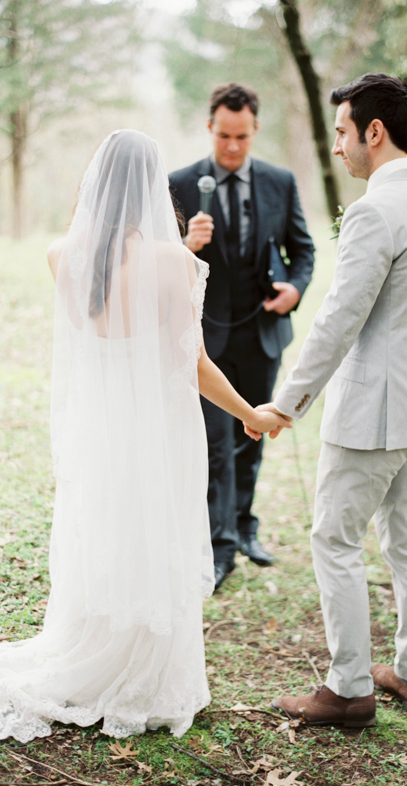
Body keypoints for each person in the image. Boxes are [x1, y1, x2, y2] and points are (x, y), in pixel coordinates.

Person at [0, 130, 287, 743]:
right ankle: (144, 672)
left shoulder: (59, 254)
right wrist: (250, 414)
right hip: (157, 429)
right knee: (153, 535)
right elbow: (194, 364)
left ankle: (95, 646)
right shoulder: (177, 262)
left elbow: (111, 317)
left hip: (97, 430)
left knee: (104, 535)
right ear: (156, 189)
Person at [259, 74, 407, 727]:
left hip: (372, 415)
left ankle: (349, 688)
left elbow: (339, 319)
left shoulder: (376, 211)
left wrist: (286, 403)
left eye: (344, 132)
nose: (340, 147)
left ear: (374, 132)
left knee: (334, 539)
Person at [169, 83, 315, 589]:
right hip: (204, 339)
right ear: (210, 128)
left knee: (253, 436)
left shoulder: (281, 180)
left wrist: (294, 290)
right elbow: (159, 261)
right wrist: (187, 244)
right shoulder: (180, 183)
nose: (232, 146)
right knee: (214, 441)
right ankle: (218, 544)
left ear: (255, 131)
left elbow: (304, 248)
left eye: (242, 137)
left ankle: (246, 528)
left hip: (262, 334)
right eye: (224, 135)